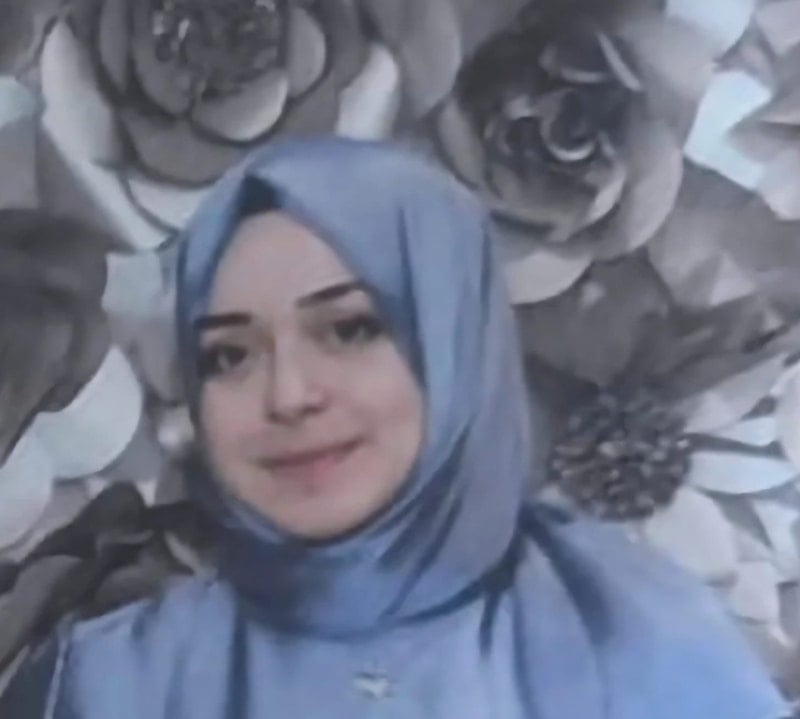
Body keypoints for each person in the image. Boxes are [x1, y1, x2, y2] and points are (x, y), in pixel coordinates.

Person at [0, 137, 790, 718]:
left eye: (349, 329)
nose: (288, 394)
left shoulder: (650, 657)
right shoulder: (104, 684)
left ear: (458, 339)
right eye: (230, 354)